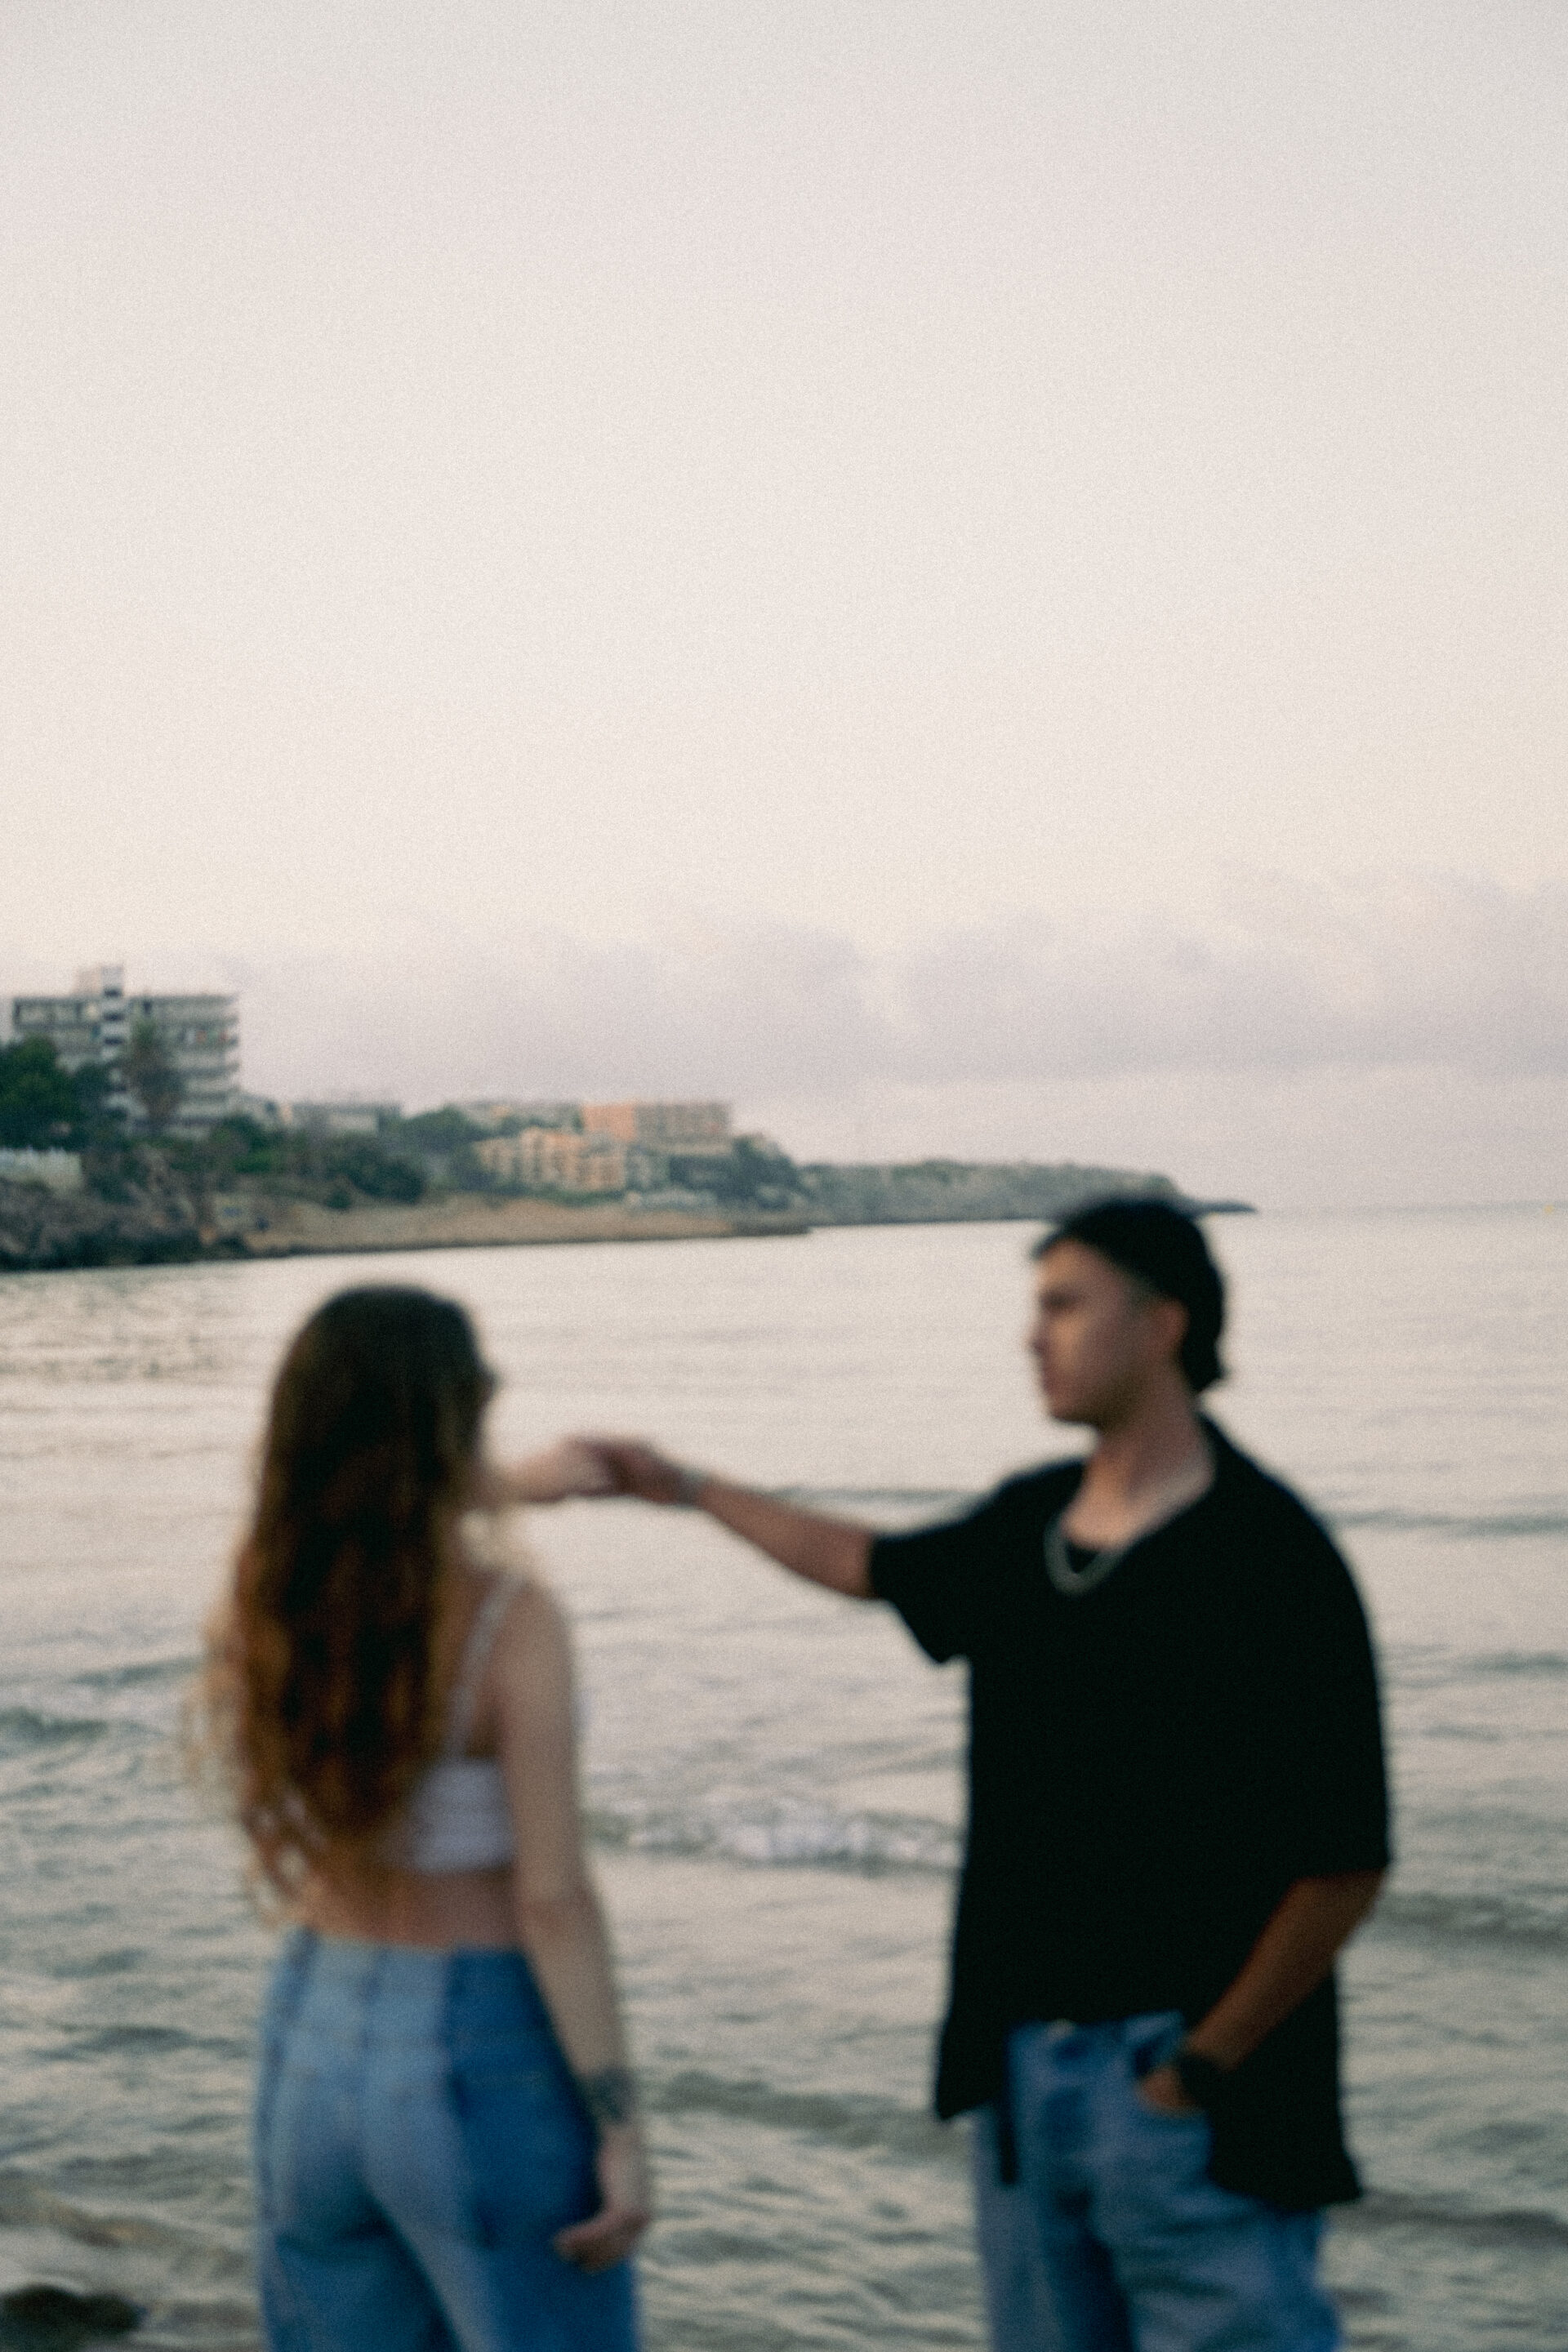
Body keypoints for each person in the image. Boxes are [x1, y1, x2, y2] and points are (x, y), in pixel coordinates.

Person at [582, 1197, 1390, 2352]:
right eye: (1036, 1307)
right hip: (1025, 2080)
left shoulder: (1271, 1558)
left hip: (1194, 2104)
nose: (1034, 1335)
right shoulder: (1030, 1528)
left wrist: (1199, 2069)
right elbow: (869, 1565)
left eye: (1065, 1304)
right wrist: (688, 1486)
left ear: (1164, 1322)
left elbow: (1345, 1861)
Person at [198, 1285, 649, 2352]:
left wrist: (518, 1484)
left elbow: (362, 1496)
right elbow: (551, 1900)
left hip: (308, 2035)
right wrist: (622, 2129)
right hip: (475, 2043)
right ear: (456, 1414)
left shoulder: (267, 1587)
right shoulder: (508, 1622)